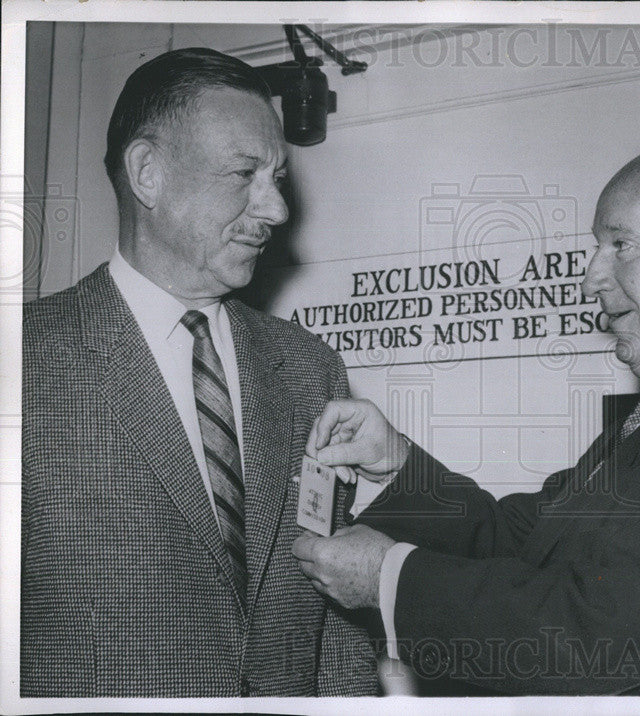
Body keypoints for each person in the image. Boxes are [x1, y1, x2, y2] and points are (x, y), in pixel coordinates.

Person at [292, 140, 640, 695]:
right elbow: (521, 539)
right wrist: (395, 464)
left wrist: (388, 578)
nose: (590, 280)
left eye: (621, 245)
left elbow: (596, 641)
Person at [21, 48, 376, 697]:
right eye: (244, 174)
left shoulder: (310, 370)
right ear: (148, 173)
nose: (275, 210)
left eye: (278, 178)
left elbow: (336, 627)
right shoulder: (22, 362)